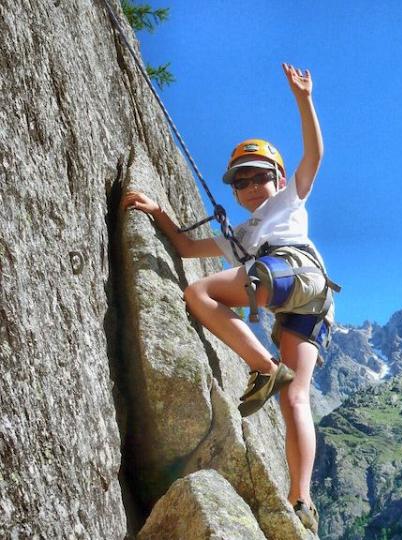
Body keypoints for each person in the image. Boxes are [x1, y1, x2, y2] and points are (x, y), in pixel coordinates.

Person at [123, 62, 331, 535]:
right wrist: (158, 212)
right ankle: (303, 500)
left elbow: (313, 157)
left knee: (198, 291)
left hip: (289, 270)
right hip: (312, 300)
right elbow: (187, 247)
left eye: (259, 176)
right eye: (241, 181)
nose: (251, 186)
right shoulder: (240, 235)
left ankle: (262, 365)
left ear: (278, 178)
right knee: (294, 399)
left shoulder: (288, 201)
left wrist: (304, 99)